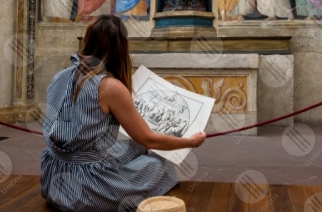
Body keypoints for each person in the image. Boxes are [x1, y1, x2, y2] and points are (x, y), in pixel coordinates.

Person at [41, 16, 206, 211]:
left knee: (135, 147)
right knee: (161, 163)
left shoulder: (60, 75)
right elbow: (150, 140)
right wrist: (191, 142)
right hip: (86, 188)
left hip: (54, 176)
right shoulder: (110, 86)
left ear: (88, 39)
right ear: (121, 46)